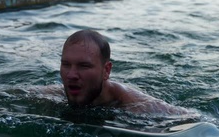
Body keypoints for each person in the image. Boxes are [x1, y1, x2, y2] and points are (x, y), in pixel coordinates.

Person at [47, 29, 192, 115]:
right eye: (66, 64)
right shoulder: (54, 94)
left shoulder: (138, 107)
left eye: (84, 66)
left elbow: (192, 120)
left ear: (106, 70)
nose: (71, 75)